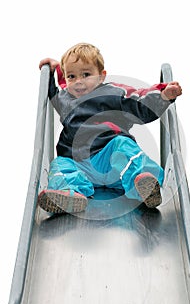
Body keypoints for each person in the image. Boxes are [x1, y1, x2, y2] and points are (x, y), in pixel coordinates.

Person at [38, 42, 182, 215]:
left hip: (111, 163)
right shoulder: (65, 99)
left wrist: (163, 95)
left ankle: (143, 186)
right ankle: (70, 193)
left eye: (86, 74)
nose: (78, 82)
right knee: (60, 164)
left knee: (122, 144)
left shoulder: (112, 93)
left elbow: (139, 103)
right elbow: (58, 89)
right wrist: (55, 70)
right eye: (72, 76)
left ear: (101, 76)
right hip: (78, 164)